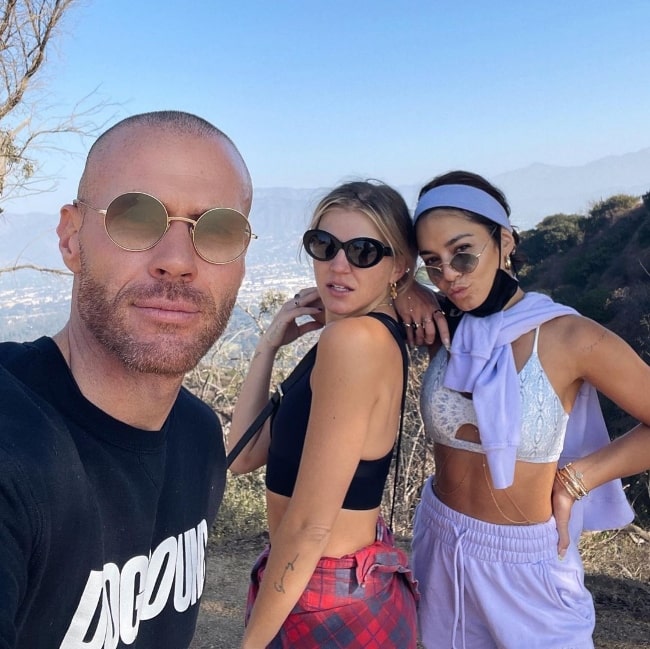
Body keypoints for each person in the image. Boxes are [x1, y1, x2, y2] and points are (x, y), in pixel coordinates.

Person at [0, 110, 254, 648]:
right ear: (72, 238)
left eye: (219, 230)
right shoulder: (12, 442)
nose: (178, 261)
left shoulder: (199, 436)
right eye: (136, 219)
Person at [398, 170, 650, 648]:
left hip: (527, 566)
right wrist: (402, 287)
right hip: (437, 541)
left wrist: (578, 479)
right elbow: (356, 282)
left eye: (463, 254)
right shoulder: (444, 327)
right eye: (432, 262)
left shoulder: (570, 337)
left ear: (505, 241)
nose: (449, 275)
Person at [228, 180, 419, 648]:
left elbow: (311, 524)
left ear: (399, 267)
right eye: (323, 245)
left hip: (324, 600)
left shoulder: (354, 343)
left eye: (363, 252)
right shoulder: (355, 338)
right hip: (322, 585)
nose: (338, 265)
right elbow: (241, 455)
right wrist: (268, 345)